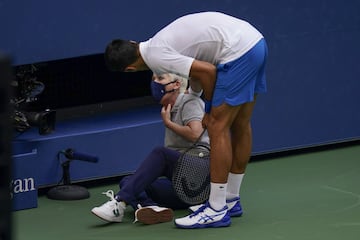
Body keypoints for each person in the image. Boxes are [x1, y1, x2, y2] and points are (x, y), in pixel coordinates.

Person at [103, 11, 268, 229]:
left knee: (218, 126)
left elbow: (208, 72)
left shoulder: (156, 57)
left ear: (130, 69)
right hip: (254, 42)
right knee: (240, 125)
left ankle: (216, 209)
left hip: (237, 52)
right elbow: (200, 68)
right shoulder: (156, 43)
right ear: (133, 43)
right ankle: (230, 200)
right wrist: (195, 93)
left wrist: (208, 111)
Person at [91, 73, 209, 225]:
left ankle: (119, 204)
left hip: (203, 176)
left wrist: (169, 124)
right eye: (153, 79)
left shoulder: (189, 102)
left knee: (161, 154)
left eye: (160, 78)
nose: (155, 83)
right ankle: (151, 208)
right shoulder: (169, 109)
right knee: (128, 181)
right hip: (187, 189)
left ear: (176, 84)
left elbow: (196, 134)